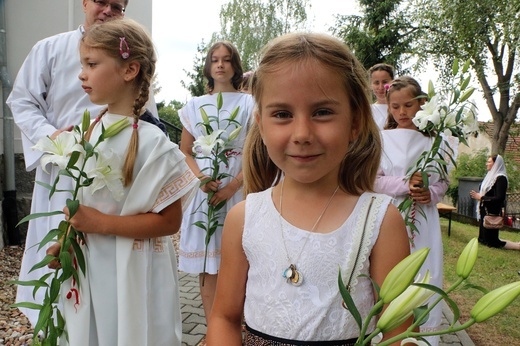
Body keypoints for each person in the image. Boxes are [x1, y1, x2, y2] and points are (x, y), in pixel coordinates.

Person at [207, 32, 411, 345]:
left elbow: (400, 330)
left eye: (322, 112)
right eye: (282, 114)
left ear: (355, 122)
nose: (302, 133)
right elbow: (224, 317)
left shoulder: (380, 221)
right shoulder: (243, 218)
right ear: (261, 125)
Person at [45, 19, 198, 345]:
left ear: (129, 70)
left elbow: (169, 222)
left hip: (136, 269)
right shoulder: (85, 133)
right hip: (91, 266)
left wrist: (101, 223)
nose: (81, 74)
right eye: (82, 64)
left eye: (92, 64)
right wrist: (68, 242)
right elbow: (82, 205)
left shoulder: (154, 144)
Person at [6, 0, 158, 326]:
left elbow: (144, 115)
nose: (107, 11)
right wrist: (53, 137)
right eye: (101, 2)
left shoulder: (129, 55)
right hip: (61, 173)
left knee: (101, 274)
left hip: (109, 181)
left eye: (117, 6)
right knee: (56, 261)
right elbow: (21, 99)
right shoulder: (49, 49)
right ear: (85, 3)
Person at [178, 41, 254, 323]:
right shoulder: (194, 106)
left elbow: (255, 150)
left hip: (238, 188)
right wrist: (200, 178)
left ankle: (242, 327)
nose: (220, 64)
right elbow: (185, 151)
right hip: (206, 192)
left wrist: (233, 185)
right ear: (208, 67)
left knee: (238, 261)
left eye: (226, 59)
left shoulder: (250, 103)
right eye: (214, 60)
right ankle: (213, 329)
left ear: (235, 65)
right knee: (208, 263)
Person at [374, 76, 449, 346]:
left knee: (424, 270)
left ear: (422, 104)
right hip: (390, 214)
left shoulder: (435, 141)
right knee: (390, 271)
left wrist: (430, 193)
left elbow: (443, 181)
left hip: (424, 217)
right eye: (395, 107)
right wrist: (405, 184)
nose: (402, 112)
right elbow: (373, 180)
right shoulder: (380, 139)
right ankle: (386, 333)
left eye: (408, 105)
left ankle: (422, 337)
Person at [470, 155, 520, 250]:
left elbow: (500, 197)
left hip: (492, 212)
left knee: (492, 242)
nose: (487, 164)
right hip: (484, 210)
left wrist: (482, 197)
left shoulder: (501, 178)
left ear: (496, 164)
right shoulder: (489, 176)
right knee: (482, 239)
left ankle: (517, 246)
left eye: (489, 162)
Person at [368, 63, 395, 130]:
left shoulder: (401, 108)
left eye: (385, 82)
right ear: (371, 85)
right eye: (376, 83)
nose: (381, 87)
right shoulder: (368, 111)